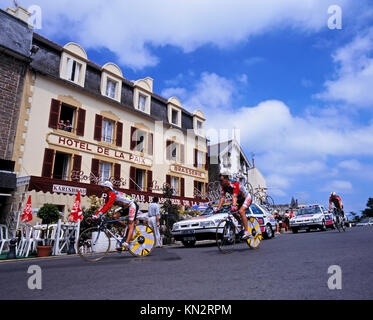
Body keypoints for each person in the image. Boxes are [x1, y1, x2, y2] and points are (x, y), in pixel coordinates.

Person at [93, 181, 139, 251]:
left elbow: (108, 206)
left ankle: (126, 243)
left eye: (103, 187)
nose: (101, 188)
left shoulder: (113, 194)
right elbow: (103, 206)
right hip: (125, 207)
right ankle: (126, 229)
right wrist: (95, 215)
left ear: (108, 188)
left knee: (130, 223)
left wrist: (99, 214)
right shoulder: (108, 195)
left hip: (132, 205)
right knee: (114, 217)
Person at [215, 173, 252, 239]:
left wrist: (234, 205)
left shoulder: (234, 183)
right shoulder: (223, 187)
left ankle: (247, 232)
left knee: (241, 211)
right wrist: (218, 208)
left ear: (226, 180)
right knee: (232, 211)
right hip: (239, 200)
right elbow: (222, 198)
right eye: (219, 181)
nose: (220, 182)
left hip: (246, 198)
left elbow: (234, 197)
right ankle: (241, 222)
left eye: (221, 181)